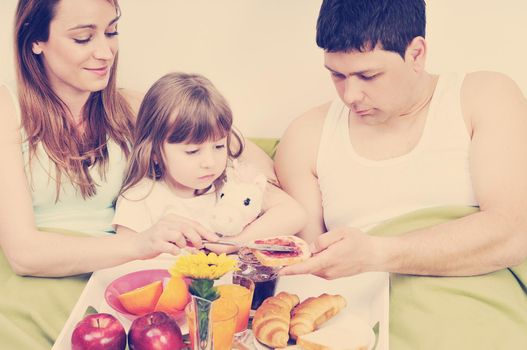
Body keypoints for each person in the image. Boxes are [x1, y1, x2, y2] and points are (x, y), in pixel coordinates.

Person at [0, 0, 275, 348]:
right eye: (83, 38)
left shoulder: (128, 107)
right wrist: (139, 242)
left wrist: (241, 217)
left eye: (111, 31)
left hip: (125, 290)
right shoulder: (7, 111)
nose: (105, 52)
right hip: (36, 292)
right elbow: (25, 254)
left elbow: (248, 159)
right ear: (35, 40)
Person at [275, 0, 527, 348]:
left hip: (471, 313)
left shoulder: (482, 97)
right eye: (336, 75)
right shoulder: (306, 136)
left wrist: (376, 254)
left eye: (368, 75)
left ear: (416, 54)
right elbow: (307, 270)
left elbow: (512, 233)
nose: (351, 95)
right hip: (358, 325)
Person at [113, 72, 306, 250]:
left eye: (219, 147)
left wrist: (233, 244)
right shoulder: (140, 197)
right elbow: (125, 255)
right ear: (154, 152)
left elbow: (294, 213)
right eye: (193, 151)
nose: (209, 162)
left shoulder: (232, 181)